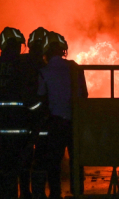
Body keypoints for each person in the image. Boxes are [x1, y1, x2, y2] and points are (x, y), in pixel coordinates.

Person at [0, 27, 34, 198]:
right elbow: (31, 92)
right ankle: (24, 193)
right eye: (19, 45)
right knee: (24, 160)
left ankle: (6, 193)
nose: (20, 49)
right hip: (20, 123)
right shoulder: (22, 65)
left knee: (5, 157)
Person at [34, 32, 88, 199]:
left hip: (55, 122)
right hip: (75, 122)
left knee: (54, 161)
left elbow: (41, 96)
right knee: (76, 159)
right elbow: (84, 95)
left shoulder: (43, 71)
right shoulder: (75, 68)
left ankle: (55, 193)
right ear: (62, 50)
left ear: (46, 50)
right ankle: (77, 191)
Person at [19, 27, 49, 199]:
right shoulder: (45, 66)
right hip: (41, 118)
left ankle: (24, 192)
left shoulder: (21, 63)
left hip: (22, 118)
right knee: (40, 157)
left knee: (25, 155)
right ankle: (38, 192)